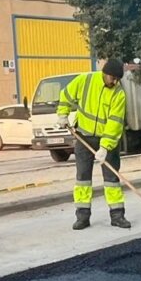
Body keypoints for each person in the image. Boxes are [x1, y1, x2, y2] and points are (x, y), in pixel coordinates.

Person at [58, 60, 129, 231]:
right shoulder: (85, 81)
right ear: (104, 73)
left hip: (107, 139)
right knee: (83, 178)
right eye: (112, 78)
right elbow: (66, 95)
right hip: (84, 137)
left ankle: (117, 215)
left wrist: (105, 147)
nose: (114, 82)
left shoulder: (119, 93)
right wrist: (62, 114)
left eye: (117, 79)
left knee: (112, 179)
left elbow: (115, 123)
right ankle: (82, 217)